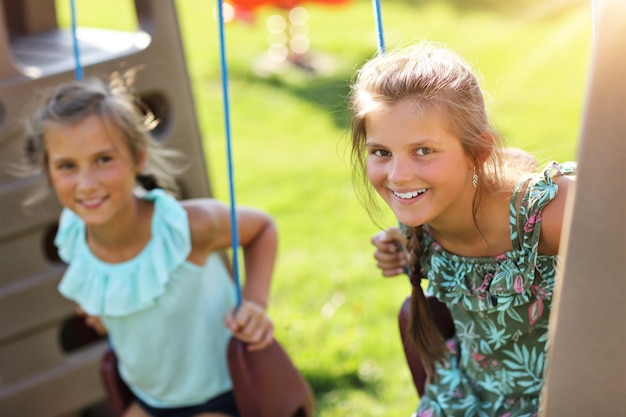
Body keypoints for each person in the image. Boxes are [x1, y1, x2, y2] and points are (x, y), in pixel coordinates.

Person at [22, 74, 277, 417]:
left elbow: (262, 228)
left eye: (103, 159)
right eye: (67, 166)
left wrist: (255, 302)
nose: (87, 183)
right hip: (150, 399)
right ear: (48, 170)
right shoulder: (73, 231)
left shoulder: (185, 227)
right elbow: (104, 280)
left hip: (222, 395)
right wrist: (98, 305)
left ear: (138, 158)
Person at [347, 42, 576, 416]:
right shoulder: (422, 218)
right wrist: (405, 254)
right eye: (381, 152)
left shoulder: (540, 214)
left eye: (423, 150)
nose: (398, 176)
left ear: (478, 153)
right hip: (471, 400)